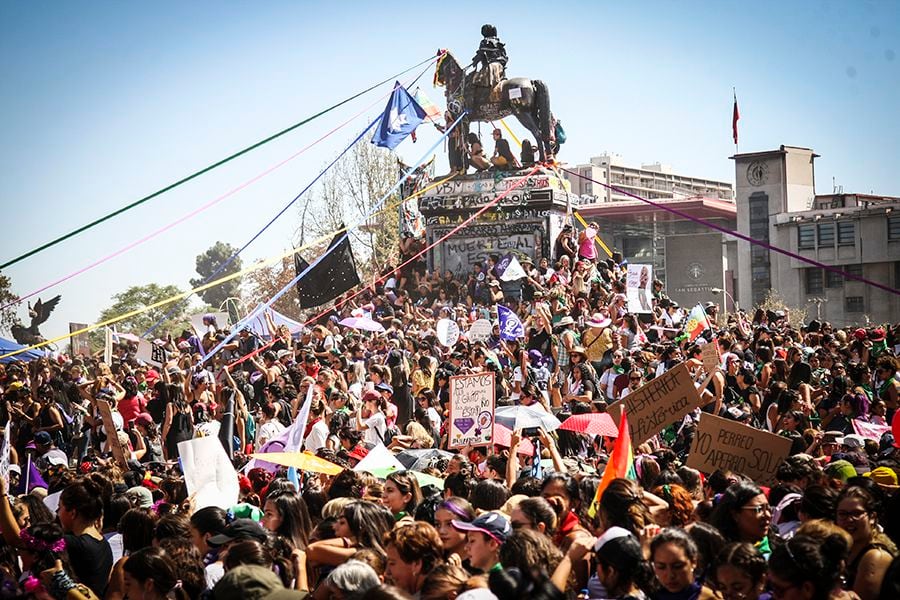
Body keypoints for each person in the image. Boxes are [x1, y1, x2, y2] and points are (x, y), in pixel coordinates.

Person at [471, 24, 507, 89]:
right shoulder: (499, 42)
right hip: (500, 67)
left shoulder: (485, 41)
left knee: (474, 81)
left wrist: (475, 61)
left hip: (490, 67)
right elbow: (505, 57)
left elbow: (480, 54)